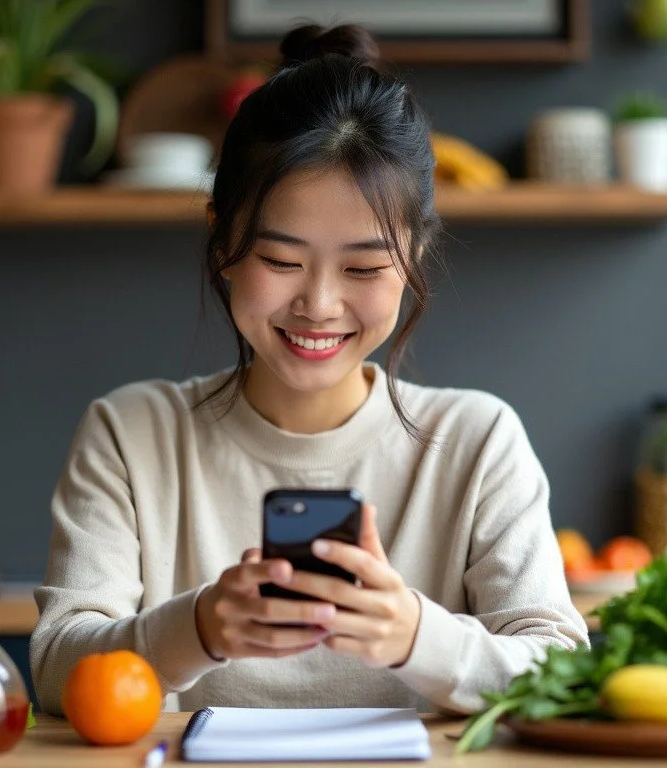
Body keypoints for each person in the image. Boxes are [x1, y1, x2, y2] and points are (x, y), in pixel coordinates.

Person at [30, 23, 588, 716]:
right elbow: (58, 668)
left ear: (414, 257)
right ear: (223, 240)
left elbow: (562, 671)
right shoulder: (131, 434)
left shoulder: (476, 441)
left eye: (363, 267)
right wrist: (198, 629)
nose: (319, 305)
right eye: (281, 262)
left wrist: (416, 635)